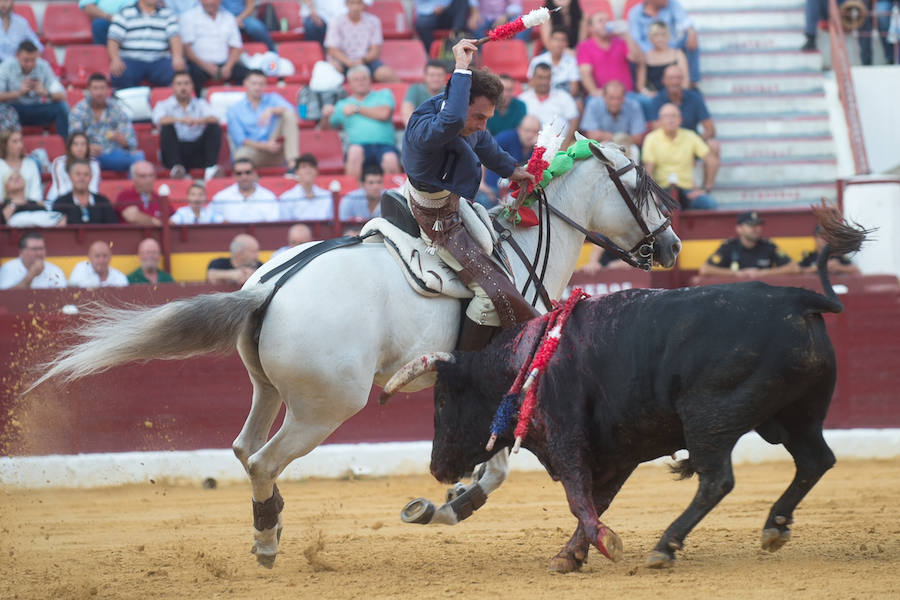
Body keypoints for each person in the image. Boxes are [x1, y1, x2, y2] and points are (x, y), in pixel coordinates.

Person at [402, 38, 538, 350]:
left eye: (486, 119)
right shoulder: (428, 127)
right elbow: (452, 121)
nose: (481, 126)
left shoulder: (466, 123)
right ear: (460, 103)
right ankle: (465, 370)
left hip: (452, 205)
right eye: (478, 117)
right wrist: (461, 68)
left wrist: (513, 170)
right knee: (492, 293)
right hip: (435, 219)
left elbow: (485, 143)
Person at [324, 65, 401, 180]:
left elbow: (384, 114)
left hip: (385, 145)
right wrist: (325, 116)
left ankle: (395, 195)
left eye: (364, 78)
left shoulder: (384, 94)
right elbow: (327, 129)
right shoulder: (342, 104)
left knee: (390, 159)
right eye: (356, 79)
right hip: (358, 146)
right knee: (355, 152)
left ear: (370, 80)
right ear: (349, 83)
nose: (361, 82)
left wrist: (357, 109)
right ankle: (352, 194)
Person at [641, 103, 717, 209]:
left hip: (688, 191)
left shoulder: (690, 136)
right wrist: (654, 193)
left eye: (674, 116)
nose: (670, 119)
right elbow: (648, 170)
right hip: (663, 191)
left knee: (710, 204)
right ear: (660, 120)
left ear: (680, 119)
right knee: (663, 208)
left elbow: (712, 160)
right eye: (666, 116)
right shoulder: (651, 139)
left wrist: (705, 188)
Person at [151, 70, 223, 180]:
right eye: (179, 84)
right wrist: (181, 120)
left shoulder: (201, 103)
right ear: (173, 86)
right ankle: (177, 169)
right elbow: (159, 120)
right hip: (177, 151)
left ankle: (210, 168)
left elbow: (215, 118)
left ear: (192, 86)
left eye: (186, 83)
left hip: (198, 151)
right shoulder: (163, 105)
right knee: (167, 128)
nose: (183, 87)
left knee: (214, 127)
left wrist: (197, 121)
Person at [69, 73, 145, 173]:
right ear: (88, 90)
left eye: (102, 88)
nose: (99, 92)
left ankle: (134, 188)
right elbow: (73, 139)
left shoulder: (117, 109)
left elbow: (132, 142)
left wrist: (123, 141)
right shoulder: (78, 110)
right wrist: (86, 147)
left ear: (108, 89)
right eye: (95, 88)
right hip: (88, 156)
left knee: (138, 157)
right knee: (78, 160)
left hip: (113, 154)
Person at [226, 69, 300, 172]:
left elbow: (294, 114)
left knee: (288, 114)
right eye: (254, 83)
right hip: (253, 152)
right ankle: (247, 179)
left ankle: (293, 164)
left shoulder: (273, 99)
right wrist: (265, 146)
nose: (257, 87)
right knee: (241, 155)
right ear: (245, 84)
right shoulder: (234, 110)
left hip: (275, 149)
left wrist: (272, 110)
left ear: (265, 85)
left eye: (261, 84)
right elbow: (241, 140)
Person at [107, 0, 185, 89]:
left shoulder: (167, 13)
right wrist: (115, 59)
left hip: (158, 60)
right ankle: (124, 102)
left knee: (179, 72)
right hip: (132, 60)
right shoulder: (125, 12)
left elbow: (175, 37)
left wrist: (177, 57)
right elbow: (113, 39)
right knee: (119, 72)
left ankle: (171, 101)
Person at [180, 0, 250, 96]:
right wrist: (206, 66)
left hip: (224, 64)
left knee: (248, 75)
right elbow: (186, 49)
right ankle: (197, 105)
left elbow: (237, 46)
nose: (210, 2)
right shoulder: (189, 17)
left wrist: (228, 67)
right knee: (191, 75)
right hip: (199, 64)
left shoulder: (228, 17)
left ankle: (239, 103)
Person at [0, 41, 68, 138]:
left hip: (37, 108)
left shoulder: (43, 66)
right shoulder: (6, 67)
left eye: (33, 60)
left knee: (61, 107)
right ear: (17, 56)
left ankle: (68, 146)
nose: (30, 64)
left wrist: (45, 92)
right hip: (13, 109)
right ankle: (5, 150)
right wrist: (19, 93)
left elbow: (62, 95)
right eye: (26, 60)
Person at [699, 211, 798, 278]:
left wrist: (763, 273)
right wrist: (737, 274)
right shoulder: (729, 246)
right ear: (739, 229)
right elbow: (704, 269)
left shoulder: (768, 246)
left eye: (758, 225)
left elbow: (794, 267)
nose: (755, 228)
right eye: (751, 225)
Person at [627, 0, 700, 85]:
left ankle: (692, 82)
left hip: (672, 46)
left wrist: (691, 32)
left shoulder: (672, 4)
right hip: (647, 52)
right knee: (632, 52)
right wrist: (652, 51)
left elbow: (685, 21)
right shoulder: (635, 13)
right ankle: (639, 87)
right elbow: (635, 39)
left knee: (691, 36)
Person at [324, 0, 397, 83]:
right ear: (346, 4)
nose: (355, 7)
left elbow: (375, 50)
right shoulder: (336, 21)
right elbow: (332, 49)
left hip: (366, 60)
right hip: (343, 61)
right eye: (352, 3)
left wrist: (362, 60)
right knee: (330, 72)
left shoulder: (373, 21)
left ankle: (405, 94)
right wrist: (348, 62)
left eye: (358, 3)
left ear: (364, 5)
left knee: (385, 74)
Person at [577, 11, 642, 100]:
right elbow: (585, 73)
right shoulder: (584, 47)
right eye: (600, 21)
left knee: (646, 102)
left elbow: (636, 58)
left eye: (607, 20)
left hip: (626, 95)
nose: (605, 23)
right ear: (591, 28)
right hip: (601, 96)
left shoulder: (621, 42)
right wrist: (594, 91)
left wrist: (627, 35)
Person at [481, 114, 540, 206]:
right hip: (491, 189)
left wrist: (539, 148)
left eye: (535, 132)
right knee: (484, 202)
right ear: (519, 129)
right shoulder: (506, 137)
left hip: (515, 193)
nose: (530, 135)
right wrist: (482, 184)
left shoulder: (538, 148)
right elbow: (484, 155)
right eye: (527, 130)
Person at [517, 62, 579, 141]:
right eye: (540, 77)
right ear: (532, 78)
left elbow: (574, 121)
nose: (544, 82)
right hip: (531, 149)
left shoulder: (564, 97)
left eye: (547, 78)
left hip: (560, 147)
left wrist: (565, 145)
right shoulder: (523, 99)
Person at [580, 80, 647, 150]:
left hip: (625, 146)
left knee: (634, 150)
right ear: (604, 96)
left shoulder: (634, 106)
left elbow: (638, 138)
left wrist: (606, 136)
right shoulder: (593, 104)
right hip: (600, 146)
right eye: (611, 98)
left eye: (619, 98)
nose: (615, 102)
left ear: (624, 97)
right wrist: (619, 137)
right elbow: (591, 135)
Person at [208, 157, 279, 222]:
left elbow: (274, 223)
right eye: (239, 173)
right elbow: (208, 215)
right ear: (233, 175)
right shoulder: (222, 196)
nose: (244, 177)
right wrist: (222, 221)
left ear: (255, 173)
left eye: (248, 172)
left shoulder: (268, 196)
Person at [52, 159, 118, 225]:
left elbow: (113, 230)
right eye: (78, 174)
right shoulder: (60, 203)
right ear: (70, 176)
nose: (82, 178)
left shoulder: (103, 201)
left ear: (91, 177)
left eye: (86, 174)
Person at [635, 21, 688, 102]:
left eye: (663, 35)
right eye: (656, 35)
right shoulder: (645, 57)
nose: (660, 39)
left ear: (668, 36)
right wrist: (649, 94)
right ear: (650, 38)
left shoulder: (677, 54)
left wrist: (677, 94)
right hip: (654, 99)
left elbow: (685, 80)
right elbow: (640, 86)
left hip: (676, 95)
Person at [47, 132, 101, 206]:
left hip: (85, 202)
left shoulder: (94, 164)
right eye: (76, 144)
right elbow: (61, 189)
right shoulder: (59, 162)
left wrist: (84, 202)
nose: (80, 148)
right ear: (70, 147)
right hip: (58, 201)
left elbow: (93, 188)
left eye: (83, 144)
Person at [114, 160, 175, 225]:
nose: (148, 179)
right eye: (143, 176)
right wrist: (157, 222)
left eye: (151, 175)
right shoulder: (125, 195)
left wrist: (147, 220)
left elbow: (173, 220)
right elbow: (132, 217)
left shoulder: (160, 198)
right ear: (133, 178)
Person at [0, 231, 66, 289]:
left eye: (41, 248)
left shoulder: (55, 270)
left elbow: (62, 297)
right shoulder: (9, 268)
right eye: (34, 249)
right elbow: (6, 297)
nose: (39, 253)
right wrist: (30, 276)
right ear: (22, 251)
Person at [278, 153, 333, 221]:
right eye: (304, 167)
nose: (308, 170)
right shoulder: (287, 198)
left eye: (311, 167)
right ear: (297, 172)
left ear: (317, 172)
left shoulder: (328, 197)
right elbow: (284, 227)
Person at [528, 28, 580, 97]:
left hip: (565, 99)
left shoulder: (573, 61)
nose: (559, 43)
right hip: (542, 98)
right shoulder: (537, 60)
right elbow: (532, 85)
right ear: (549, 41)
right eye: (556, 39)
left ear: (567, 43)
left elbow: (574, 89)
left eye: (563, 40)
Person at [402, 59, 450, 127]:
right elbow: (407, 113)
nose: (436, 78)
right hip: (419, 130)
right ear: (425, 76)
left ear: (445, 76)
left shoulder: (449, 91)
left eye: (439, 75)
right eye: (432, 75)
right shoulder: (415, 89)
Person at [0, 128, 41, 204]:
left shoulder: (30, 164)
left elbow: (36, 196)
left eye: (21, 141)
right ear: (4, 144)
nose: (20, 145)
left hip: (29, 208)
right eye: (15, 141)